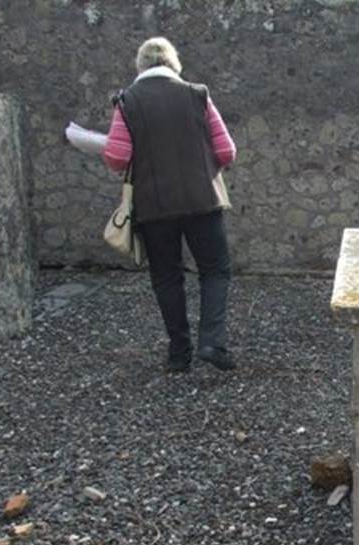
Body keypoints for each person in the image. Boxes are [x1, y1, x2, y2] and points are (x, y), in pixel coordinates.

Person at [103, 37, 238, 372]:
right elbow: (226, 152)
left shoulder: (127, 102)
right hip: (202, 200)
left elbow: (117, 158)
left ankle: (179, 353)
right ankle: (212, 341)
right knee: (215, 270)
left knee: (166, 277)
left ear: (140, 66)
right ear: (174, 64)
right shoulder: (198, 95)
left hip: (153, 205)